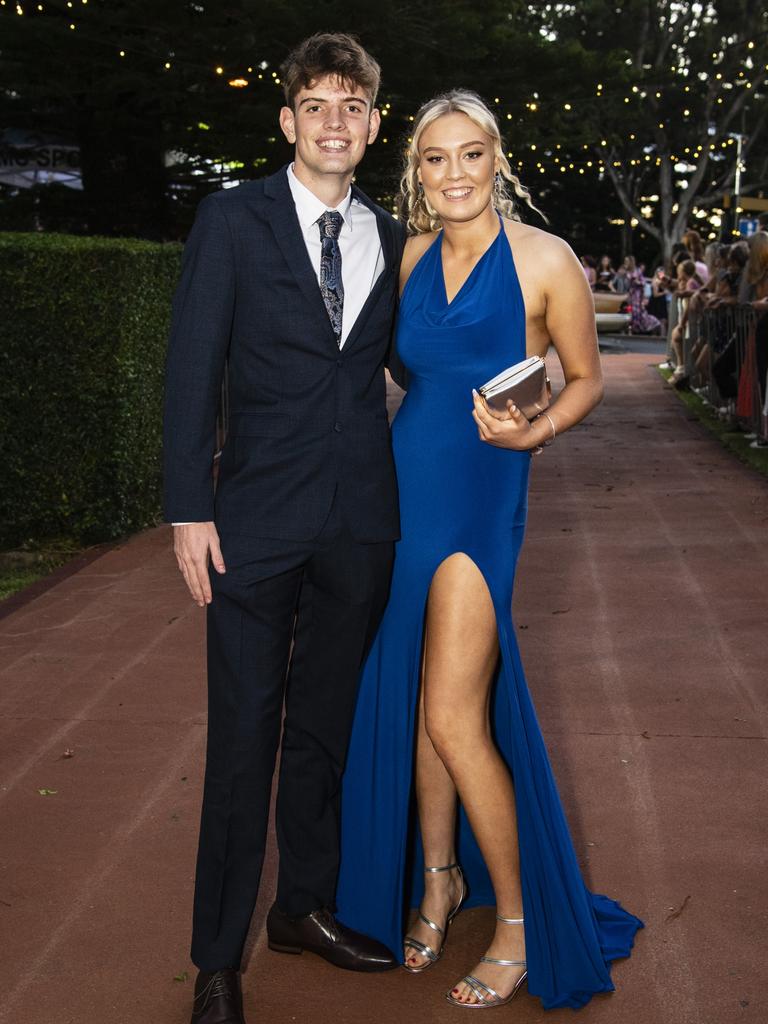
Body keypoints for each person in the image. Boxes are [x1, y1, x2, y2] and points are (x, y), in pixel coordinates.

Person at [336, 89, 642, 1011]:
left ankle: (515, 921)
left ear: (498, 159)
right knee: (425, 701)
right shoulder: (414, 254)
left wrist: (534, 428)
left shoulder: (546, 260)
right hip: (407, 485)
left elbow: (585, 377)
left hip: (482, 496)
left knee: (455, 718)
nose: (455, 172)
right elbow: (404, 369)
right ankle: (438, 879)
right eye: (436, 158)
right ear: (417, 172)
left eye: (471, 154)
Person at [163, 33, 407, 1024]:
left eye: (353, 105)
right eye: (318, 104)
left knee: (323, 734)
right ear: (289, 122)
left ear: (374, 125)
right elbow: (191, 368)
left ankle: (301, 906)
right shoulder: (231, 220)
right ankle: (217, 957)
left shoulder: (391, 234)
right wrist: (187, 506)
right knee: (242, 739)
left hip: (359, 523)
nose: (336, 121)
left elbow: (404, 364)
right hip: (251, 523)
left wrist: (515, 392)